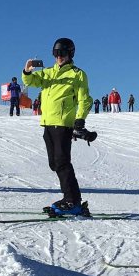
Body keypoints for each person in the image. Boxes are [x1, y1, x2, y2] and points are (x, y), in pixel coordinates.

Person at [22, 37, 92, 216]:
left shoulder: (77, 74)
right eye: (56, 53)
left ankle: (73, 201)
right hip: (47, 123)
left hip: (63, 124)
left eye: (63, 53)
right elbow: (31, 82)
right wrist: (27, 71)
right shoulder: (48, 72)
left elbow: (85, 99)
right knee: (54, 163)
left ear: (70, 54)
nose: (59, 56)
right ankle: (71, 198)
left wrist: (79, 121)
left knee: (62, 162)